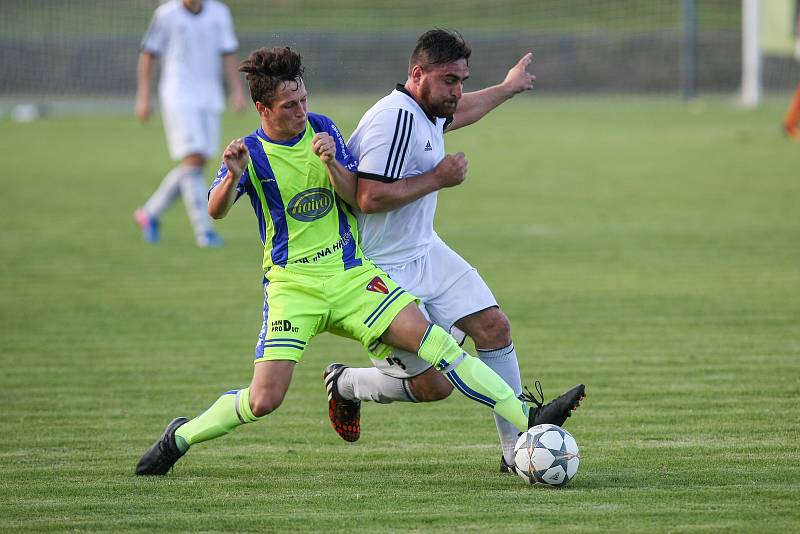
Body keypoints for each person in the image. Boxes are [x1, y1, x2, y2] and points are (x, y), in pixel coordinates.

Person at [135, 46, 584, 476]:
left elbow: (355, 195)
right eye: (290, 105)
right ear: (263, 108)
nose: (301, 111)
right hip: (294, 288)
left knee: (439, 345)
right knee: (264, 400)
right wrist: (231, 176)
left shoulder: (322, 128)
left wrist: (332, 163)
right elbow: (216, 210)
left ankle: (525, 416)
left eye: (304, 99)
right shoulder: (249, 153)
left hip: (352, 277)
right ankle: (181, 437)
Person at [323, 29, 585, 475]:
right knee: (434, 387)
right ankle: (345, 384)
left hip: (426, 251)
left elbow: (459, 111)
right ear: (417, 73)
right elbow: (367, 197)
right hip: (381, 269)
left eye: (461, 79)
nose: (456, 90)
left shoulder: (427, 108)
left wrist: (507, 88)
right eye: (448, 80)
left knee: (493, 326)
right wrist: (437, 179)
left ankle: (514, 452)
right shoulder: (394, 120)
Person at [134, 0, 246, 247]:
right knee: (193, 159)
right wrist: (144, 96)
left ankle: (149, 214)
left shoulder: (219, 13)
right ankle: (204, 232)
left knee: (197, 163)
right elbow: (148, 54)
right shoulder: (166, 15)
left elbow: (228, 53)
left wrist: (237, 91)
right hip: (179, 96)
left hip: (209, 96)